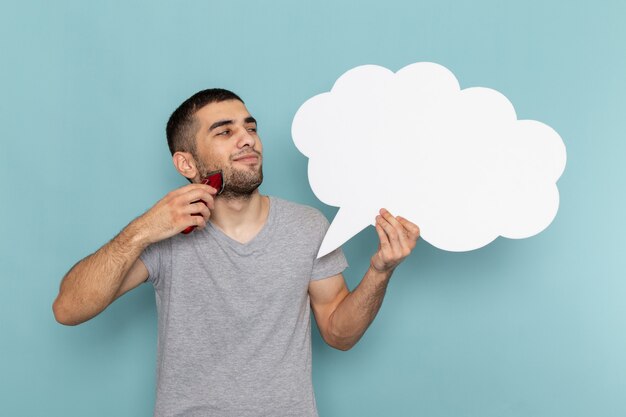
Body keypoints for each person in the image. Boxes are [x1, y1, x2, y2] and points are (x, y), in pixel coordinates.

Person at [53, 88, 420, 417]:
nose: (248, 140)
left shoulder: (307, 226)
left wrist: (380, 271)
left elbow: (340, 335)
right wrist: (143, 229)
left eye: (251, 127)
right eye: (225, 132)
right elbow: (68, 308)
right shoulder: (163, 236)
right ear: (187, 164)